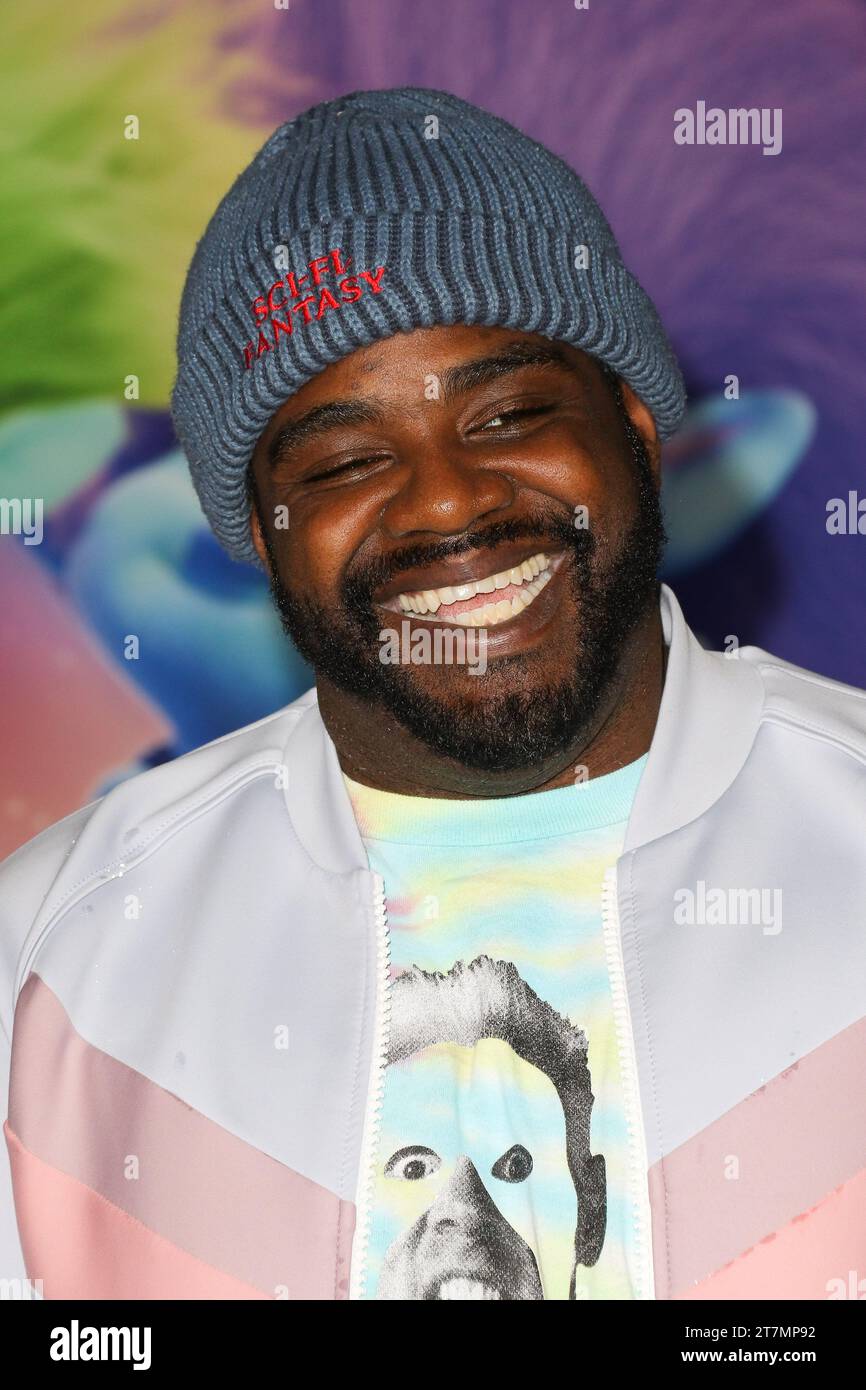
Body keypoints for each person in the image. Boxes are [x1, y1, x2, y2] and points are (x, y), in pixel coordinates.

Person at [1, 87, 864, 1303]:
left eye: (508, 413)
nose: (448, 501)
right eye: (348, 460)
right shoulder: (52, 957)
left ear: (633, 421)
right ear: (256, 528)